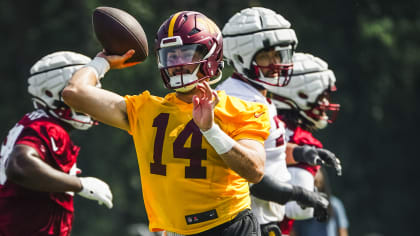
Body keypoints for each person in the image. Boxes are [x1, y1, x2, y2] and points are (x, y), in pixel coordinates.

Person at [63, 11, 270, 236]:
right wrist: (102, 62)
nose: (177, 64)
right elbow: (74, 92)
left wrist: (211, 131)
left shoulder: (242, 109)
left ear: (210, 55)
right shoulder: (146, 110)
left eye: (187, 54)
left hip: (228, 227)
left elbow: (255, 171)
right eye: (171, 56)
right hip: (173, 232)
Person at [218, 7, 341, 236]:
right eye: (266, 55)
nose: (276, 63)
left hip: (259, 223)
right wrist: (300, 194)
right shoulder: (238, 101)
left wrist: (300, 153)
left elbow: (264, 151)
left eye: (278, 55)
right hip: (243, 223)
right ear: (240, 56)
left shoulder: (256, 95)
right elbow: (247, 172)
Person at [0, 51, 113, 236]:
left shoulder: (36, 122)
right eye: (83, 94)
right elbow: (19, 164)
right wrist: (79, 184)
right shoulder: (48, 128)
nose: (90, 100)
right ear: (51, 92)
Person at [263, 52, 342, 235]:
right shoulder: (302, 139)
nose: (324, 103)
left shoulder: (265, 120)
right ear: (298, 94)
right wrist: (313, 197)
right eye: (320, 96)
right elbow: (298, 209)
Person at [290, 168, 349, 236]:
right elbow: (293, 233)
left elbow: (342, 232)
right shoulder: (297, 207)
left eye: (316, 171)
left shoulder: (334, 205)